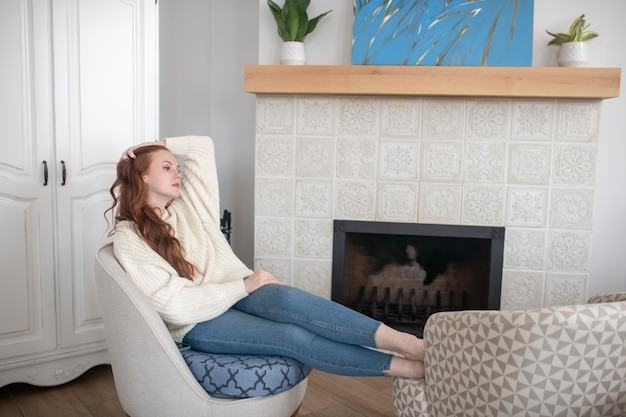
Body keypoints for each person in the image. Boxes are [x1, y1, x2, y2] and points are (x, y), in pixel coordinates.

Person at [105, 136, 424, 379]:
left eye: (176, 166)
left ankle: (410, 344)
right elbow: (173, 306)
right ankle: (408, 369)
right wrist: (243, 287)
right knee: (291, 336)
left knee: (287, 298)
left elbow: (202, 147)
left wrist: (153, 145)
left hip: (235, 290)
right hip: (197, 321)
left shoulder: (190, 206)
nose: (177, 172)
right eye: (166, 167)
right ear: (142, 176)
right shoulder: (129, 237)